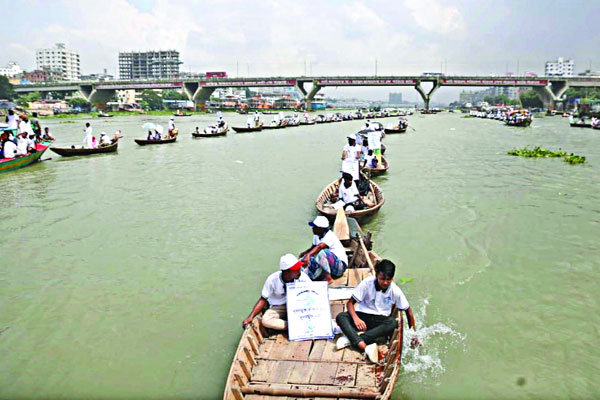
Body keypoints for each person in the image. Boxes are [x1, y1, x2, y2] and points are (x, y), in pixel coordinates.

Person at [335, 259, 421, 363]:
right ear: (376, 275)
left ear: (392, 278)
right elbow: (350, 304)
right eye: (382, 279)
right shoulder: (367, 283)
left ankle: (354, 339)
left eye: (388, 280)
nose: (385, 282)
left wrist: (414, 335)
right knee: (341, 317)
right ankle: (363, 346)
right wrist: (356, 319)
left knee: (392, 323)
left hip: (379, 321)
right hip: (362, 316)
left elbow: (408, 312)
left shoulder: (395, 290)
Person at [242, 253, 311, 330]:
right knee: (266, 320)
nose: (299, 271)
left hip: (298, 305)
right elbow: (263, 299)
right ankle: (292, 326)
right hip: (280, 307)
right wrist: (250, 317)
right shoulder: (272, 279)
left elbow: (312, 293)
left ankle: (297, 324)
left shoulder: (303, 277)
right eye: (296, 269)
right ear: (286, 271)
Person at [299, 216, 348, 284]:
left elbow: (319, 247)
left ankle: (328, 278)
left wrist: (309, 255)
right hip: (329, 267)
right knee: (305, 259)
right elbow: (313, 247)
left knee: (321, 253)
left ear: (320, 228)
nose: (312, 228)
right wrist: (304, 254)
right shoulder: (316, 235)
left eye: (314, 227)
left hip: (339, 267)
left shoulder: (330, 236)